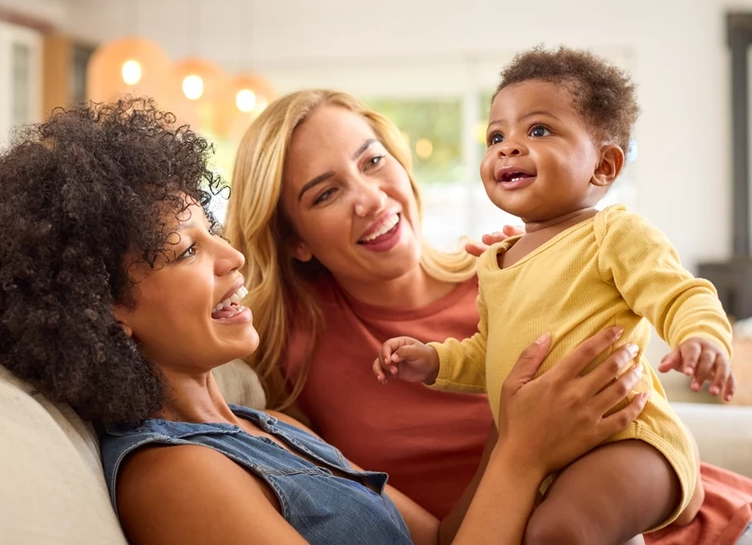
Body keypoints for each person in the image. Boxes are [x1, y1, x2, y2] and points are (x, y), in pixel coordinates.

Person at [0, 98, 648, 545]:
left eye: (214, 233)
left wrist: (518, 421)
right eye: (185, 250)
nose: (232, 258)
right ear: (99, 304)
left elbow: (444, 540)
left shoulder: (260, 422)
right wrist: (522, 451)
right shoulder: (171, 473)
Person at [225, 87, 752, 544]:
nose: (370, 198)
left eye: (372, 161)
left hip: (702, 522)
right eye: (326, 193)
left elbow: (668, 443)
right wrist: (519, 441)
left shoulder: (512, 266)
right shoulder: (293, 359)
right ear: (295, 241)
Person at [373, 46, 735, 544]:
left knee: (558, 532)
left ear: (604, 166)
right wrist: (434, 362)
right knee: (479, 532)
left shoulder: (612, 233)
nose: (507, 147)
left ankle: (676, 471)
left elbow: (680, 294)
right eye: (496, 136)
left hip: (624, 438)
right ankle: (681, 493)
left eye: (537, 130)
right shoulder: (494, 262)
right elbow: (490, 352)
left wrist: (702, 336)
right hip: (545, 453)